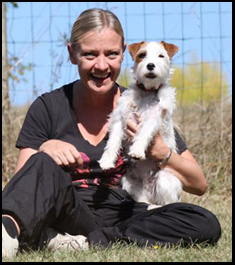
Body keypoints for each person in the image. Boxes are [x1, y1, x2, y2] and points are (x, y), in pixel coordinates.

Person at [2, 8, 221, 258]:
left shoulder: (143, 104)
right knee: (39, 161)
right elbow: (23, 185)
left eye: (112, 54)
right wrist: (45, 148)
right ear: (72, 54)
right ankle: (6, 235)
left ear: (125, 54)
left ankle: (86, 241)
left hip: (122, 210)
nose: (102, 65)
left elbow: (199, 184)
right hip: (68, 206)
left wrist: (161, 152)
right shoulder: (48, 106)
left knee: (202, 220)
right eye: (90, 55)